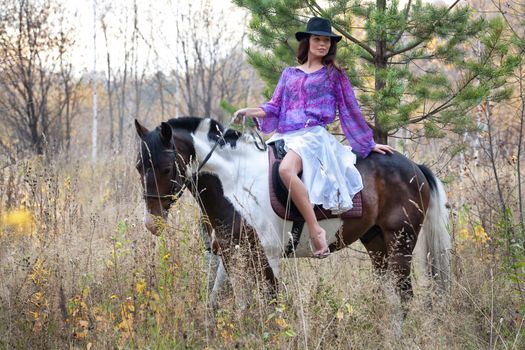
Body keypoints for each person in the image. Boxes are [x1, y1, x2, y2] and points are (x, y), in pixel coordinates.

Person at [234, 17, 394, 258]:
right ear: (307, 42)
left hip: (313, 137)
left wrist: (368, 144)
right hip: (286, 136)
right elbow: (274, 106)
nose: (323, 44)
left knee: (286, 171)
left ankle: (315, 229)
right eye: (317, 39)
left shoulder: (334, 74)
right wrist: (248, 111)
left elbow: (350, 109)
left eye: (327, 41)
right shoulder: (289, 74)